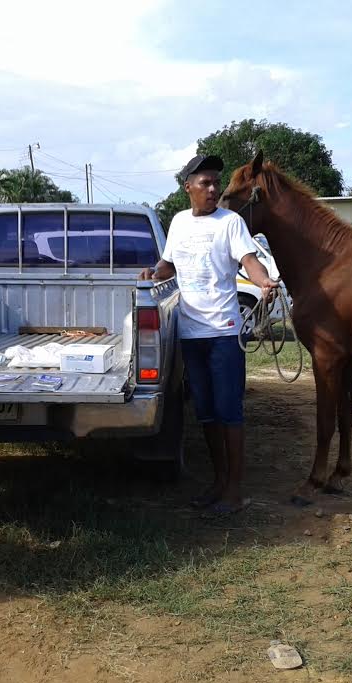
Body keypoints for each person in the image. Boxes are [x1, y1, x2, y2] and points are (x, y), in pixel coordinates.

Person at [140, 154, 278, 514]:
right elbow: (168, 264)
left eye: (216, 183)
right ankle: (218, 481)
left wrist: (264, 280)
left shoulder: (230, 222)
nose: (214, 189)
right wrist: (153, 272)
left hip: (223, 332)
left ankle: (234, 489)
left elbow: (249, 259)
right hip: (190, 333)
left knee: (229, 411)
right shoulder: (179, 222)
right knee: (205, 412)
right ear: (188, 187)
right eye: (206, 183)